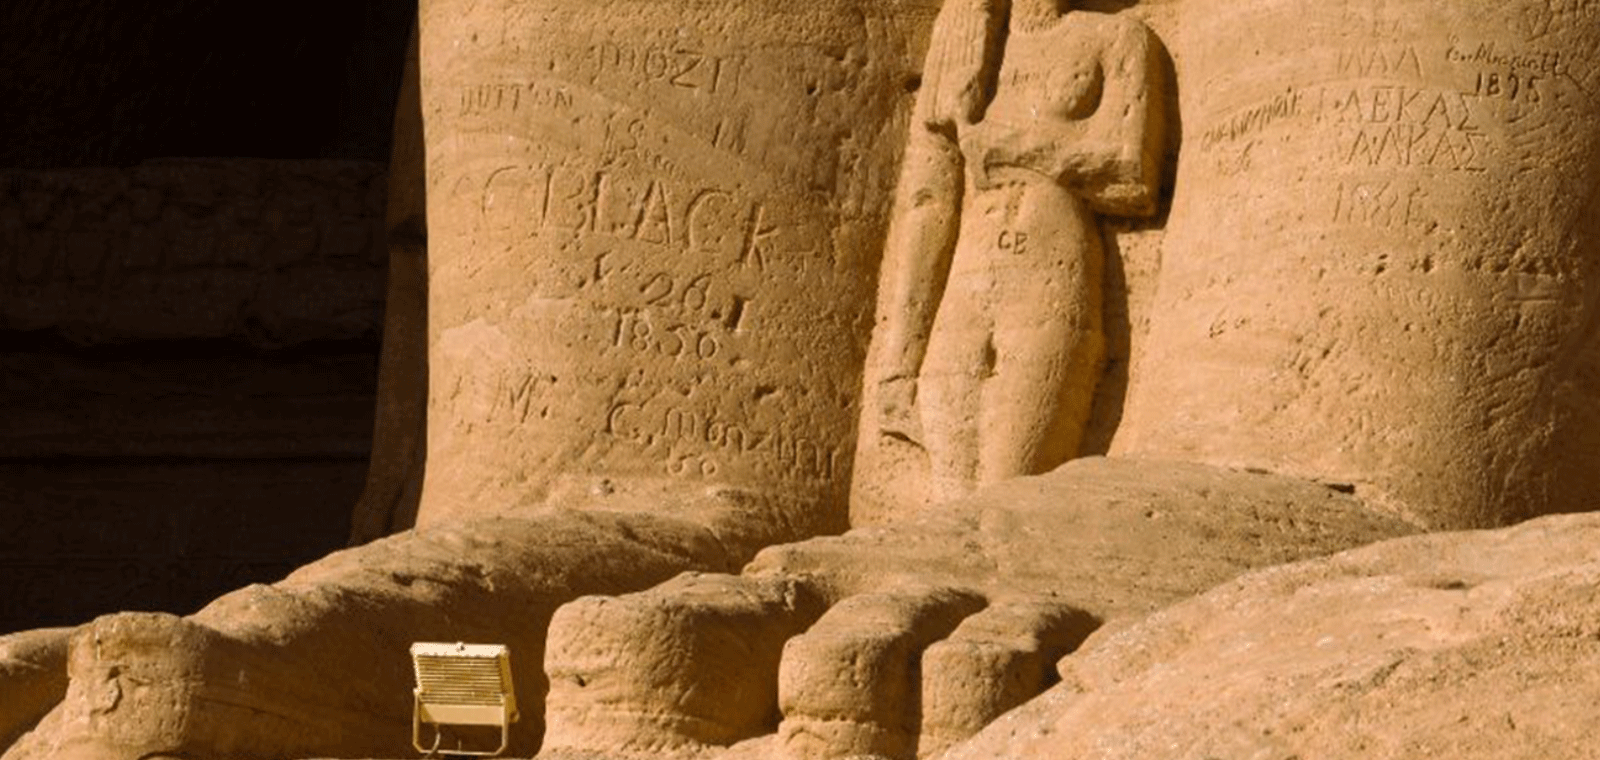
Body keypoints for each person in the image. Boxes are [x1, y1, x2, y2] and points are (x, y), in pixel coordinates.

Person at [874, 0, 1165, 500]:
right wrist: (900, 359)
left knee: (1010, 484)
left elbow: (1132, 172)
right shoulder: (965, 51)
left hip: (1049, 270)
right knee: (948, 495)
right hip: (967, 281)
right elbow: (929, 203)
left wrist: (1016, 148)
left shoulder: (1116, 38)